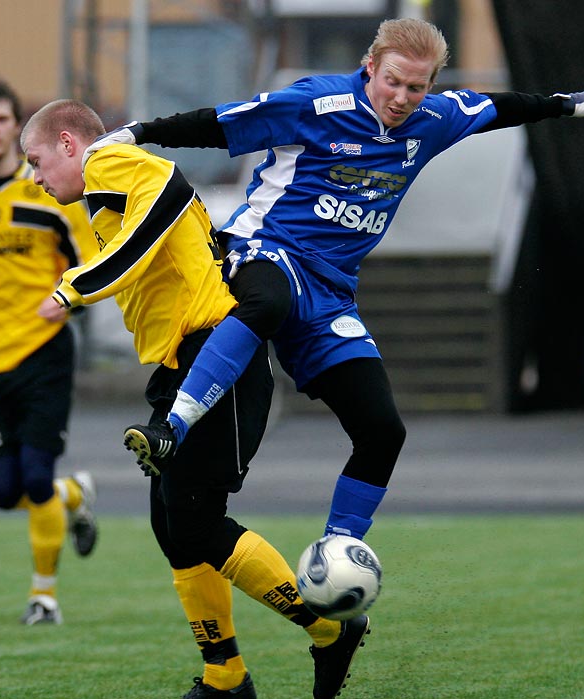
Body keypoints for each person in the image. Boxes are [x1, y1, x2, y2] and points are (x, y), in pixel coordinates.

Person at [90, 16, 584, 540]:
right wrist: (140, 133)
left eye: (415, 88)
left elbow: (498, 106)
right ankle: (172, 427)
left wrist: (565, 105)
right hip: (266, 249)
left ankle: (339, 551)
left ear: (431, 87)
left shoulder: (435, 119)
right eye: (391, 81)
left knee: (382, 432)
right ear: (369, 66)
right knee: (268, 303)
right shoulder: (316, 102)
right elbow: (221, 121)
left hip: (331, 293)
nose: (400, 97)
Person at [21, 98, 370, 699]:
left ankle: (328, 628)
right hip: (180, 365)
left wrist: (73, 287)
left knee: (195, 522)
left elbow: (163, 204)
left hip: (219, 360)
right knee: (171, 524)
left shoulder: (110, 163)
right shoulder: (100, 195)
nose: (34, 175)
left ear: (71, 145)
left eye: (37, 160)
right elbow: (154, 240)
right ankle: (225, 676)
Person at [0, 77, 99, 625]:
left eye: (2, 118)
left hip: (43, 352)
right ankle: (73, 496)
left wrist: (71, 301)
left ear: (15, 125)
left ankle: (43, 597)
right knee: (3, 492)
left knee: (35, 475)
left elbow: (95, 261)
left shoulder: (46, 187)